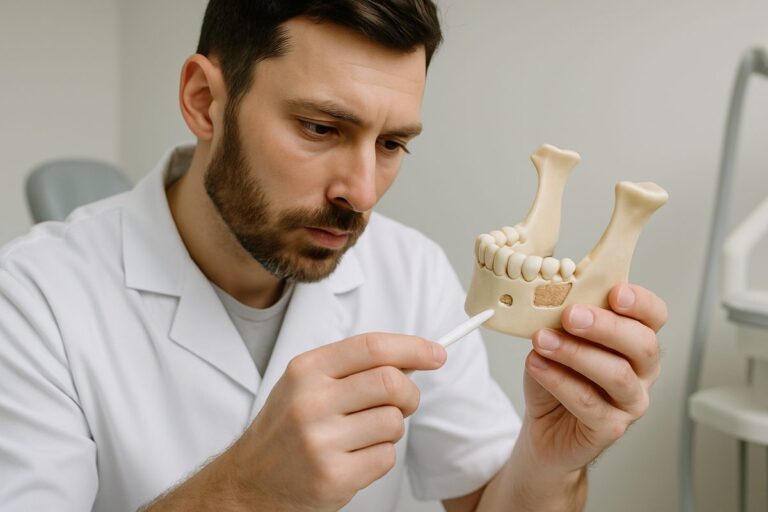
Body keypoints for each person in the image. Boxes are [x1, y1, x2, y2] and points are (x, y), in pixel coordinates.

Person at [0, 1, 667, 511]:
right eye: (321, 128)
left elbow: (489, 502)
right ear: (205, 102)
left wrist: (552, 463)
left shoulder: (410, 270)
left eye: (392, 144)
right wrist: (245, 491)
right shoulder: (31, 301)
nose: (362, 193)